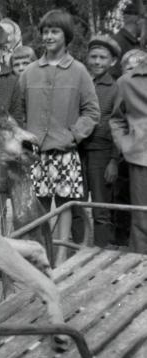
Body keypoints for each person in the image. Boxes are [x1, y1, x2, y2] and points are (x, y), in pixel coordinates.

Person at [20, 9, 100, 265]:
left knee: (66, 205)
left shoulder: (79, 71)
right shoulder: (29, 72)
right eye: (45, 32)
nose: (48, 36)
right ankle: (42, 255)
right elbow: (19, 111)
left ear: (66, 36)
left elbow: (92, 111)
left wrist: (73, 135)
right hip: (36, 154)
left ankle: (63, 256)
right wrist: (25, 137)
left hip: (65, 152)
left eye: (54, 31)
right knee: (39, 208)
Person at [78, 35, 121, 247]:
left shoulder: (116, 88)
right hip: (78, 151)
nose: (97, 61)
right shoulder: (81, 83)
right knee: (76, 206)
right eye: (93, 56)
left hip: (102, 154)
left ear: (112, 61)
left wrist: (114, 160)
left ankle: (102, 252)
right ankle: (78, 251)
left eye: (103, 58)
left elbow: (119, 125)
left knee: (101, 209)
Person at [110, 58, 147, 253]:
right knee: (142, 220)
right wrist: (126, 145)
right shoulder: (127, 82)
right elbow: (117, 119)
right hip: (141, 160)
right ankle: (140, 268)